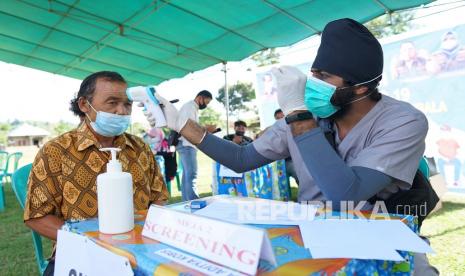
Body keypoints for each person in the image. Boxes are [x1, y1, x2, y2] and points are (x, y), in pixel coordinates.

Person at [145, 18, 436, 275]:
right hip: (312, 236)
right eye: (314, 74)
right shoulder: (306, 116)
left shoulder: (403, 121)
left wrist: (298, 116)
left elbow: (346, 194)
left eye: (324, 77)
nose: (312, 84)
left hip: (379, 238)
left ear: (360, 87)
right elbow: (242, 158)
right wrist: (184, 126)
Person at [24, 71, 169, 276]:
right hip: (81, 257)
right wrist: (90, 243)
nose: (121, 111)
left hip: (140, 256)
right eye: (112, 102)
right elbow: (37, 217)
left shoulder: (140, 149)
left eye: (127, 104)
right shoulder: (56, 152)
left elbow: (159, 199)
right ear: (84, 105)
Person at [176, 90, 216, 201]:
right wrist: (206, 129)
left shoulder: (190, 107)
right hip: (187, 144)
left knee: (187, 175)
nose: (206, 105)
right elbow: (189, 127)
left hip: (185, 144)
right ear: (200, 98)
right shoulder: (190, 107)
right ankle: (194, 201)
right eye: (206, 102)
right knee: (191, 174)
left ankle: (187, 201)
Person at [274, 109, 299, 185]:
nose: (282, 120)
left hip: (293, 160)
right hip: (281, 162)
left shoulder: (295, 127)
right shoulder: (275, 132)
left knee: (297, 170)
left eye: (283, 117)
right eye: (279, 119)